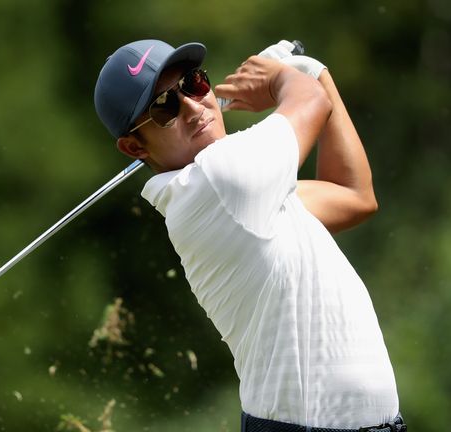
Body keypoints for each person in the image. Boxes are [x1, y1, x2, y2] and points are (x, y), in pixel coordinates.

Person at [94, 39, 405, 432]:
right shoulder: (219, 180)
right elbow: (309, 104)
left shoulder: (239, 195)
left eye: (193, 83)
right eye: (164, 107)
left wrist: (316, 75)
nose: (193, 107)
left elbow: (353, 195)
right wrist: (284, 78)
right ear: (134, 145)